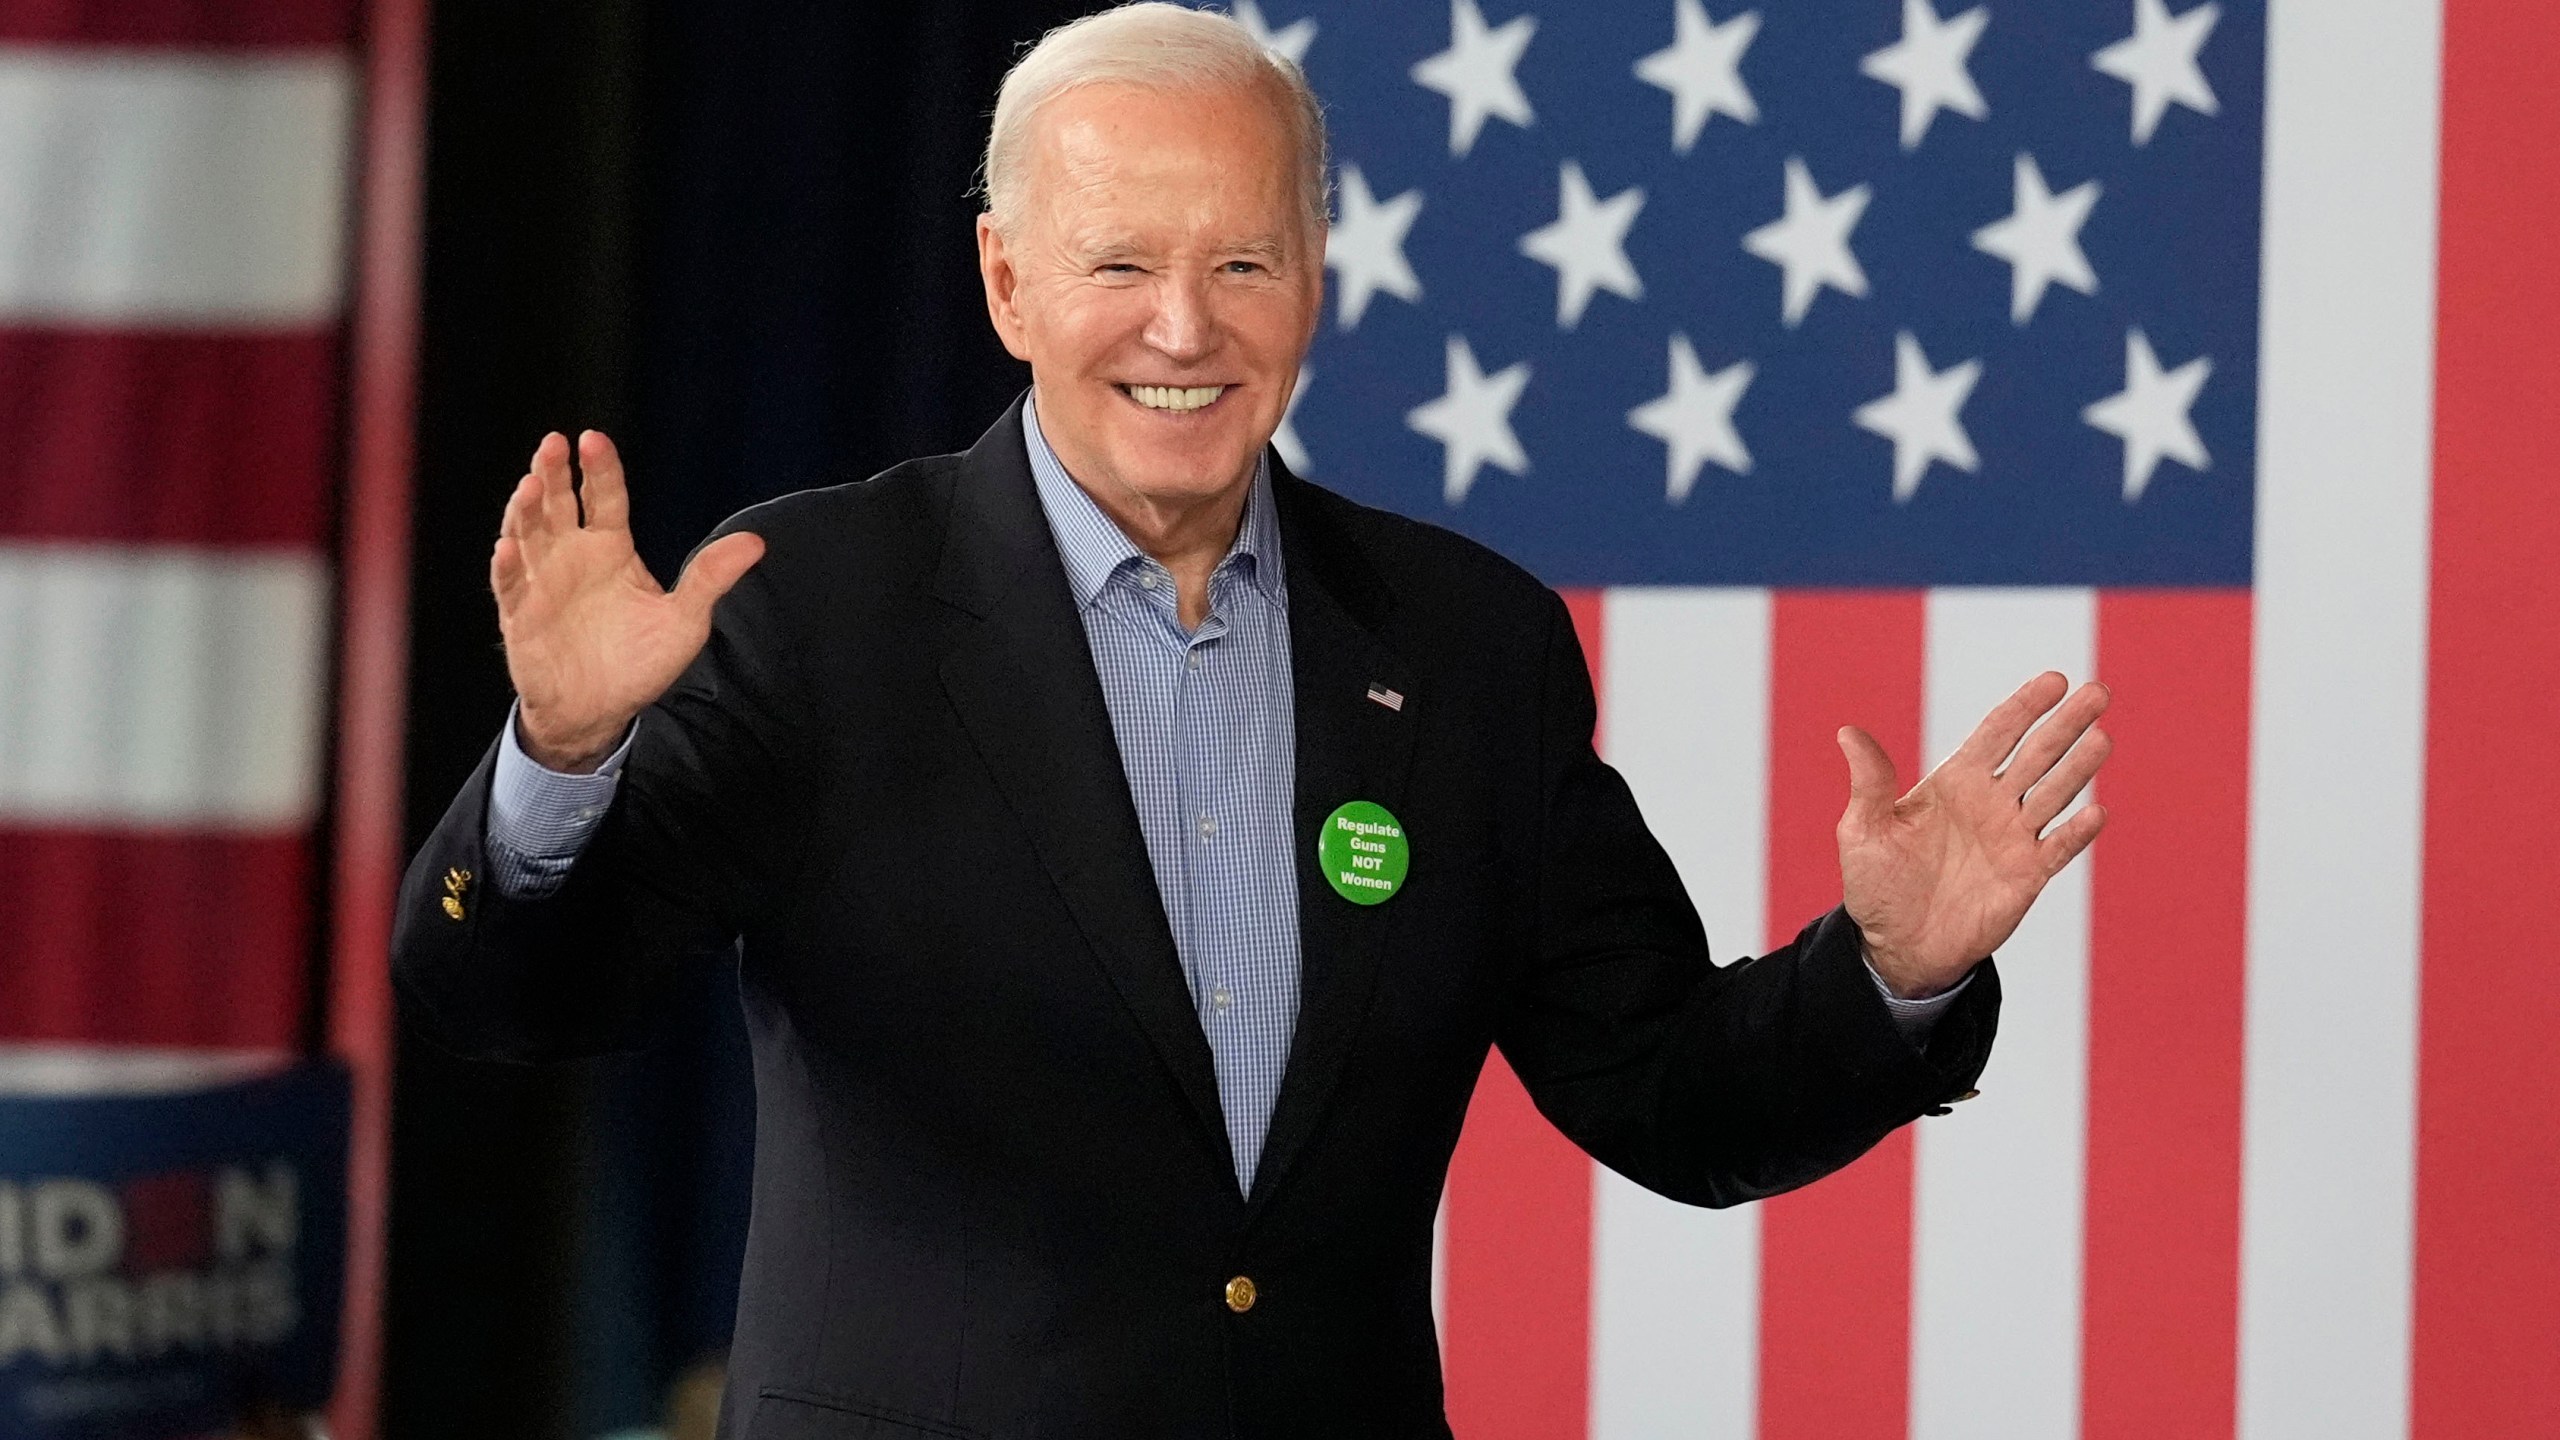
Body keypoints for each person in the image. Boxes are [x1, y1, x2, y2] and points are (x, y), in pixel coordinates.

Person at [393, 6, 2112, 1436]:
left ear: (1314, 275)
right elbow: (524, 1001)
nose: (1183, 327)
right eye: (1118, 261)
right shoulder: (820, 603)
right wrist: (561, 760)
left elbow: (1669, 1089)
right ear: (1004, 286)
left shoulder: (1465, 648)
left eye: (1243, 259)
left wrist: (1893, 970)